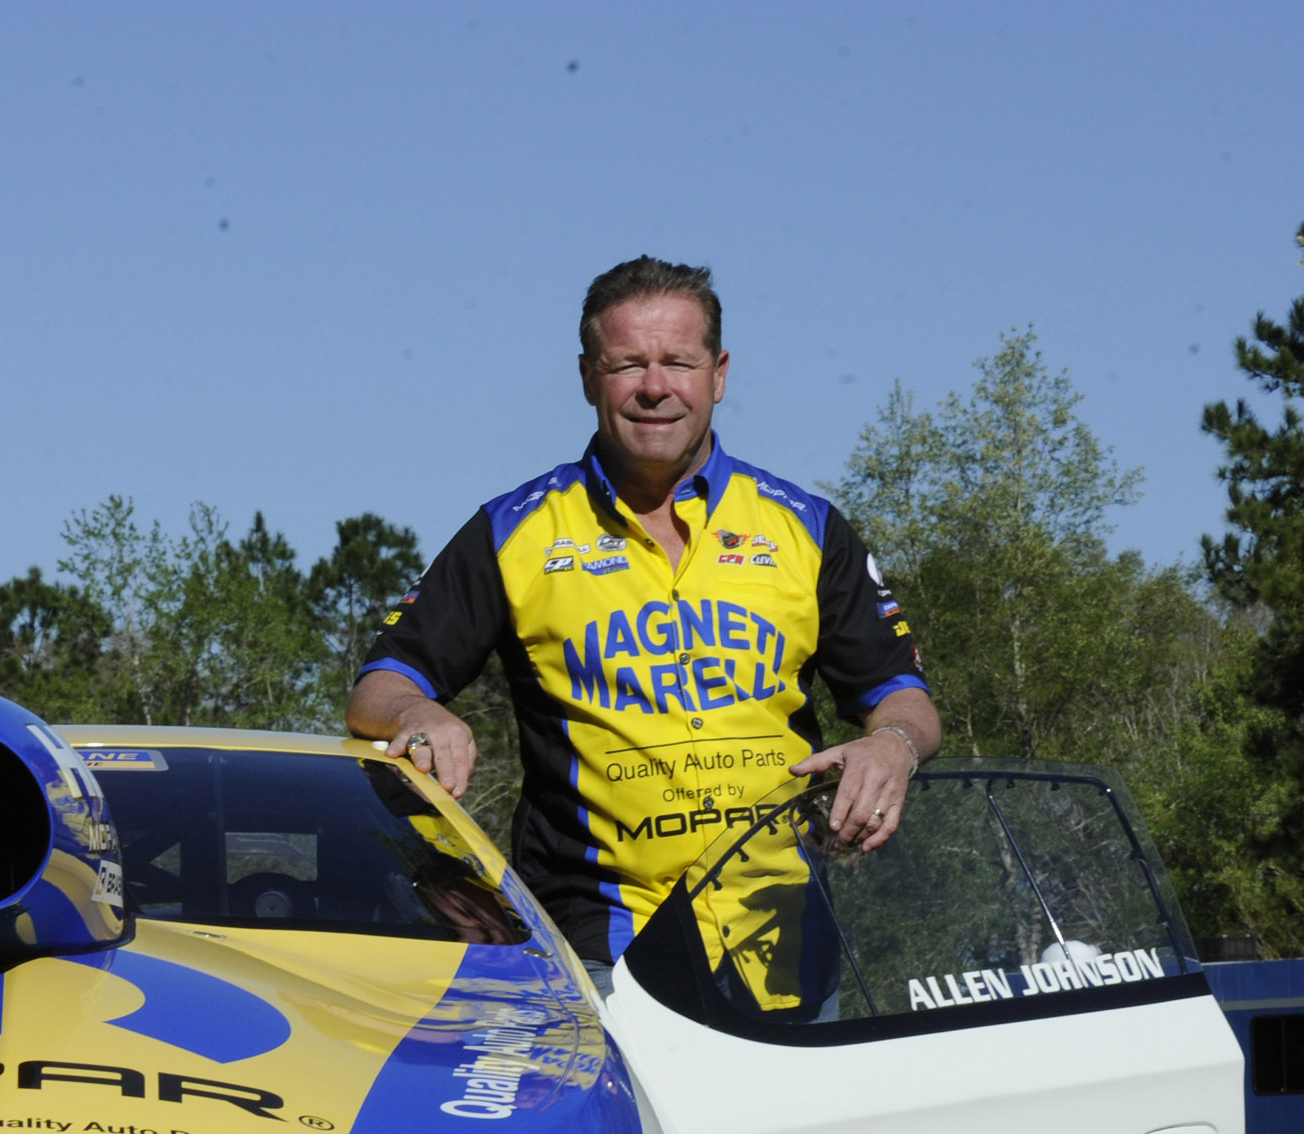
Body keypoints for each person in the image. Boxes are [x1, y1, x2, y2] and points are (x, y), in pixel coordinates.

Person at [345, 255, 941, 992]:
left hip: (785, 935)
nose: (654, 387)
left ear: (718, 375)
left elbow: (902, 694)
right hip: (599, 947)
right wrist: (420, 711)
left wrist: (894, 744)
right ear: (589, 377)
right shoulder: (513, 530)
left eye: (678, 362)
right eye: (627, 363)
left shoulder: (806, 526)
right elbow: (379, 686)